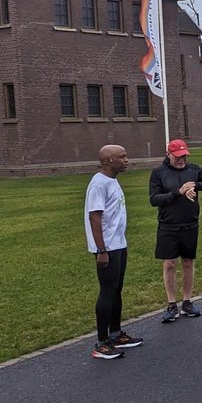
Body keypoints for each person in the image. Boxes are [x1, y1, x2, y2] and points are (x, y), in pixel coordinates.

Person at [148, 138, 202, 323]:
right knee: (169, 263)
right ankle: (172, 304)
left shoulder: (193, 170)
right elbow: (154, 199)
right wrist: (178, 193)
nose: (181, 160)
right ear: (168, 154)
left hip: (190, 224)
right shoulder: (159, 173)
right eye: (177, 156)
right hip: (168, 225)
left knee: (188, 262)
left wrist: (195, 185)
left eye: (184, 156)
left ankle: (187, 301)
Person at [84, 145, 142, 359]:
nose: (127, 160)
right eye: (122, 157)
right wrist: (101, 250)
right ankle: (101, 343)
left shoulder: (112, 180)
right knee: (107, 291)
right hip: (106, 247)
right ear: (108, 160)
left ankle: (116, 333)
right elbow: (94, 217)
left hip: (118, 244)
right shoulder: (98, 184)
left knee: (117, 289)